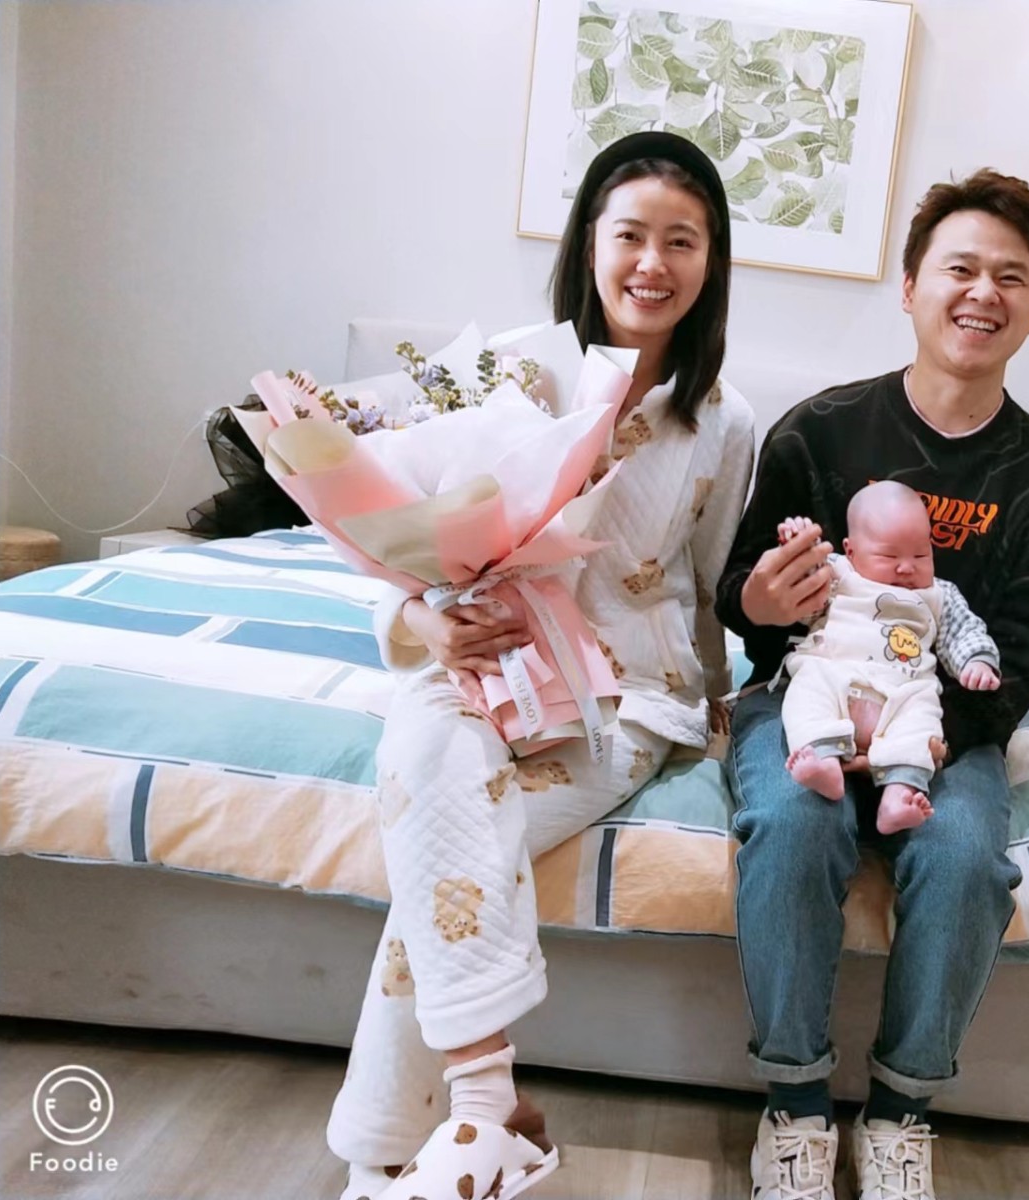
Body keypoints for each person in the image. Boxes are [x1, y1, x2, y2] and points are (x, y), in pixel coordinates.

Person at [326, 131, 755, 1200]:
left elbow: (709, 586)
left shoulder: (723, 421)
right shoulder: (512, 374)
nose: (652, 263)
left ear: (710, 262)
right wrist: (419, 622)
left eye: (682, 241)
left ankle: (387, 1154)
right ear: (589, 245)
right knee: (432, 771)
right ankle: (487, 1115)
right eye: (631, 236)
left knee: (447, 852)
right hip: (479, 664)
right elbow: (403, 531)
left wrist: (722, 709)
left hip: (626, 699)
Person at [716, 169, 1029, 1200]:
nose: (982, 293)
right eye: (959, 268)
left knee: (967, 857)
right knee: (791, 827)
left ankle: (900, 1114)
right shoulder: (821, 431)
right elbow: (739, 600)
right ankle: (795, 1106)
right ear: (910, 286)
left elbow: (1028, 651)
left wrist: (918, 737)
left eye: (1010, 277)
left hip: (945, 721)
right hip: (804, 693)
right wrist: (761, 598)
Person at [775, 481, 1000, 835]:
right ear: (851, 551)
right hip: (836, 675)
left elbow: (964, 631)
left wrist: (976, 662)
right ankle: (822, 761)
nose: (906, 568)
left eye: (921, 555)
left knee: (923, 720)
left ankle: (898, 796)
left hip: (903, 693)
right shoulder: (839, 574)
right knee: (807, 688)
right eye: (889, 557)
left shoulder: (939, 594)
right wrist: (799, 546)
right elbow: (803, 599)